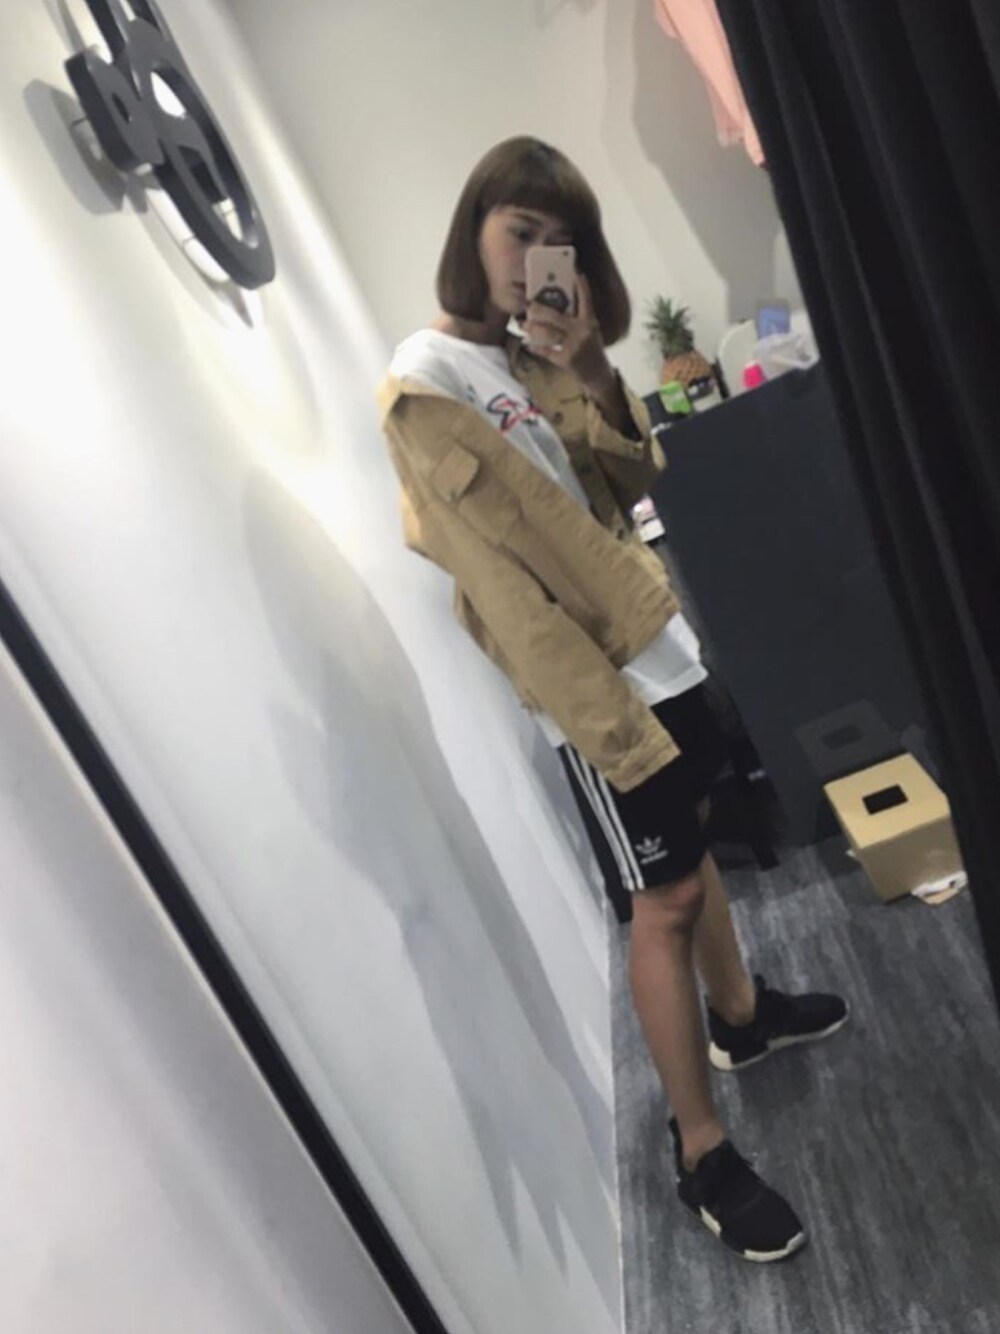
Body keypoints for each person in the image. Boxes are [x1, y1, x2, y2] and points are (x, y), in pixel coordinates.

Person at [378, 136, 848, 1263]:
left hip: (656, 645)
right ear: (472, 229)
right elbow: (507, 596)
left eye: (559, 242)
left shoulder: (523, 357)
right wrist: (607, 727)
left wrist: (589, 368)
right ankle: (701, 1152)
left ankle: (741, 1020)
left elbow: (629, 481)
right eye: (519, 231)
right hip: (596, 691)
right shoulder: (424, 387)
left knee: (695, 849)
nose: (536, 258)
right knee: (663, 899)